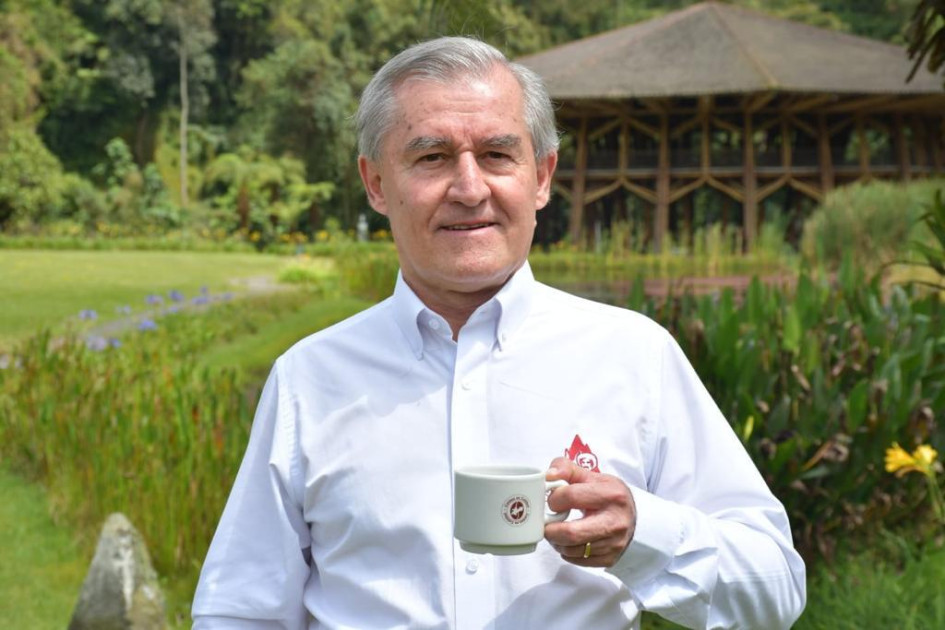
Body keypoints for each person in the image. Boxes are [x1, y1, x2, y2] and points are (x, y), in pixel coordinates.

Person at [192, 36, 806, 629]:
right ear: (376, 183)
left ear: (541, 176)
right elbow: (241, 611)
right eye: (432, 157)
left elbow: (776, 587)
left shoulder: (634, 355)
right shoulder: (311, 377)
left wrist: (642, 533)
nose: (469, 188)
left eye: (496, 155)